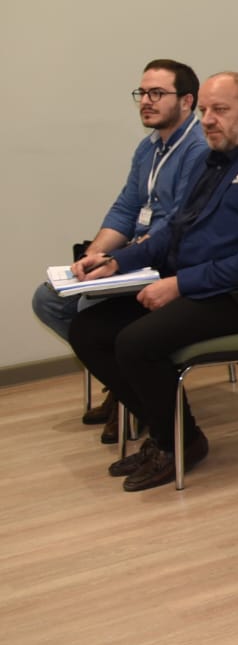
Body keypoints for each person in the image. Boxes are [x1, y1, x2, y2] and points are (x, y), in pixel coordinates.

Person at [68, 72, 238, 491]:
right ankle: (166, 428)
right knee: (88, 330)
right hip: (200, 284)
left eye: (220, 110)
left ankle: (178, 442)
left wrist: (180, 285)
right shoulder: (212, 160)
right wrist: (116, 261)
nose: (208, 120)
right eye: (203, 110)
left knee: (136, 342)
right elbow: (172, 231)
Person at [33, 59, 209, 436]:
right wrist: (94, 255)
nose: (146, 101)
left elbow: (176, 224)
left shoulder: (199, 150)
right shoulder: (148, 148)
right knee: (48, 300)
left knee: (88, 307)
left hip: (166, 261)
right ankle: (125, 382)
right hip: (135, 254)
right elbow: (126, 208)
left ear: (187, 101)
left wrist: (120, 259)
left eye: (157, 93)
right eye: (142, 93)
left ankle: (133, 390)